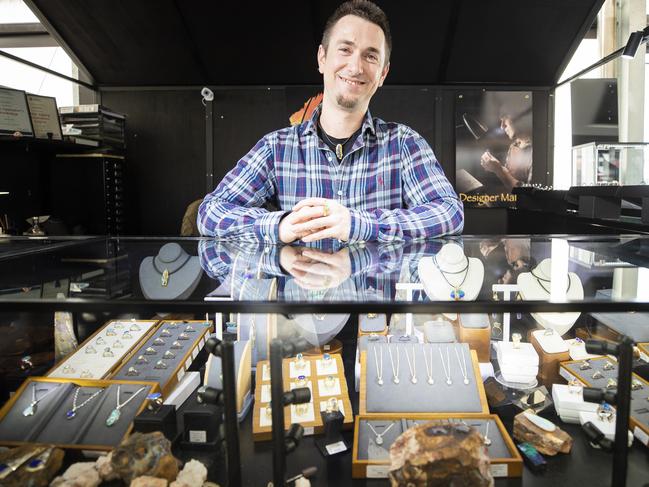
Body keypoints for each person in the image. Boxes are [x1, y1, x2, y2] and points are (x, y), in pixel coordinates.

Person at [198, 0, 463, 243]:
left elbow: (449, 213)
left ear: (383, 73)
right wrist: (279, 225)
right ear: (322, 58)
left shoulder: (404, 144)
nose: (356, 67)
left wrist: (360, 225)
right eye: (345, 49)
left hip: (374, 295)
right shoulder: (276, 148)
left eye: (370, 56)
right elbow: (210, 213)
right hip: (303, 292)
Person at [480, 115, 533, 193]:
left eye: (505, 119)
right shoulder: (514, 145)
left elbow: (529, 194)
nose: (502, 126)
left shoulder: (537, 153)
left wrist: (499, 170)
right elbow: (508, 179)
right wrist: (492, 167)